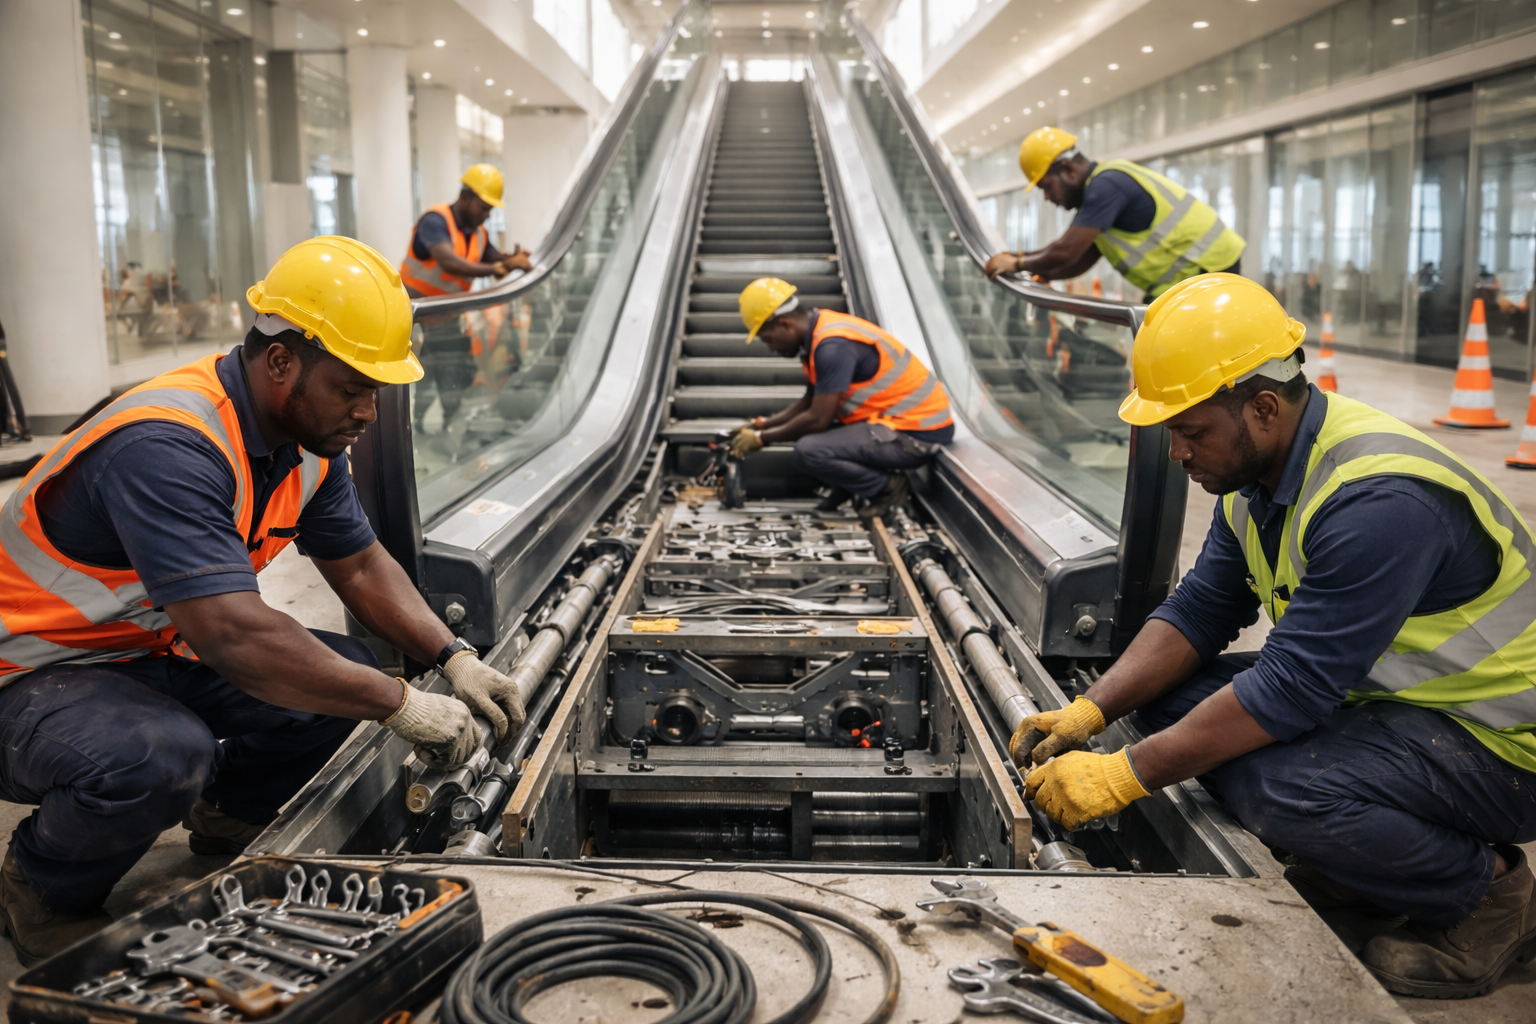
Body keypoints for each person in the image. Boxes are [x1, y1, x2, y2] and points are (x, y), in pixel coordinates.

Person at [0, 237, 528, 964]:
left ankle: (231, 813)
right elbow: (235, 638)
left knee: (336, 677)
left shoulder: (309, 442)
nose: (369, 413)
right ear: (282, 362)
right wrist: (400, 703)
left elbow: (362, 562)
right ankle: (42, 886)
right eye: (352, 387)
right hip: (29, 678)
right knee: (156, 754)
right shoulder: (167, 444)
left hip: (149, 655)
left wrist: (452, 656)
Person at [1012, 273, 1536, 999]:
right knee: (1167, 709)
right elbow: (1197, 613)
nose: (1177, 453)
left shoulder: (1378, 501)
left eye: (1190, 431)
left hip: (1502, 740)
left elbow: (1289, 691)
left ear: (1262, 408)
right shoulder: (1259, 480)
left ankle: (1487, 895)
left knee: (1278, 786)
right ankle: (1372, 859)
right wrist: (1091, 713)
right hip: (1398, 701)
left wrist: (1119, 775)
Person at [728, 277, 953, 518]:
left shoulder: (832, 347)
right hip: (897, 423)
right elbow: (809, 402)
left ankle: (888, 488)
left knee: (809, 450)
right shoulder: (820, 332)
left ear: (785, 324)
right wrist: (761, 425)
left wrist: (763, 439)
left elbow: (817, 419)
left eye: (768, 339)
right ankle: (848, 488)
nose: (772, 348)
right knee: (812, 436)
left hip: (916, 434)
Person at [982, 127, 1244, 303]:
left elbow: (1066, 251)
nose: (1048, 198)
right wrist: (1035, 267)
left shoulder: (1107, 186)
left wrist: (1016, 264)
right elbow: (1078, 259)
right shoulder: (1098, 196)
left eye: (1047, 187)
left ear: (1068, 169)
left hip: (1209, 270)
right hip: (1188, 281)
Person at [400, 163, 532, 431]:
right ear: (465, 197)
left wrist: (511, 260)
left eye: (490, 209)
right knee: (419, 380)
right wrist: (499, 267)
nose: (486, 214)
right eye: (483, 207)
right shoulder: (435, 221)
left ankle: (450, 427)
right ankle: (413, 429)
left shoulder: (479, 234)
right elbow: (450, 262)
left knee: (452, 376)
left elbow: (494, 260)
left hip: (447, 319)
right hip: (414, 320)